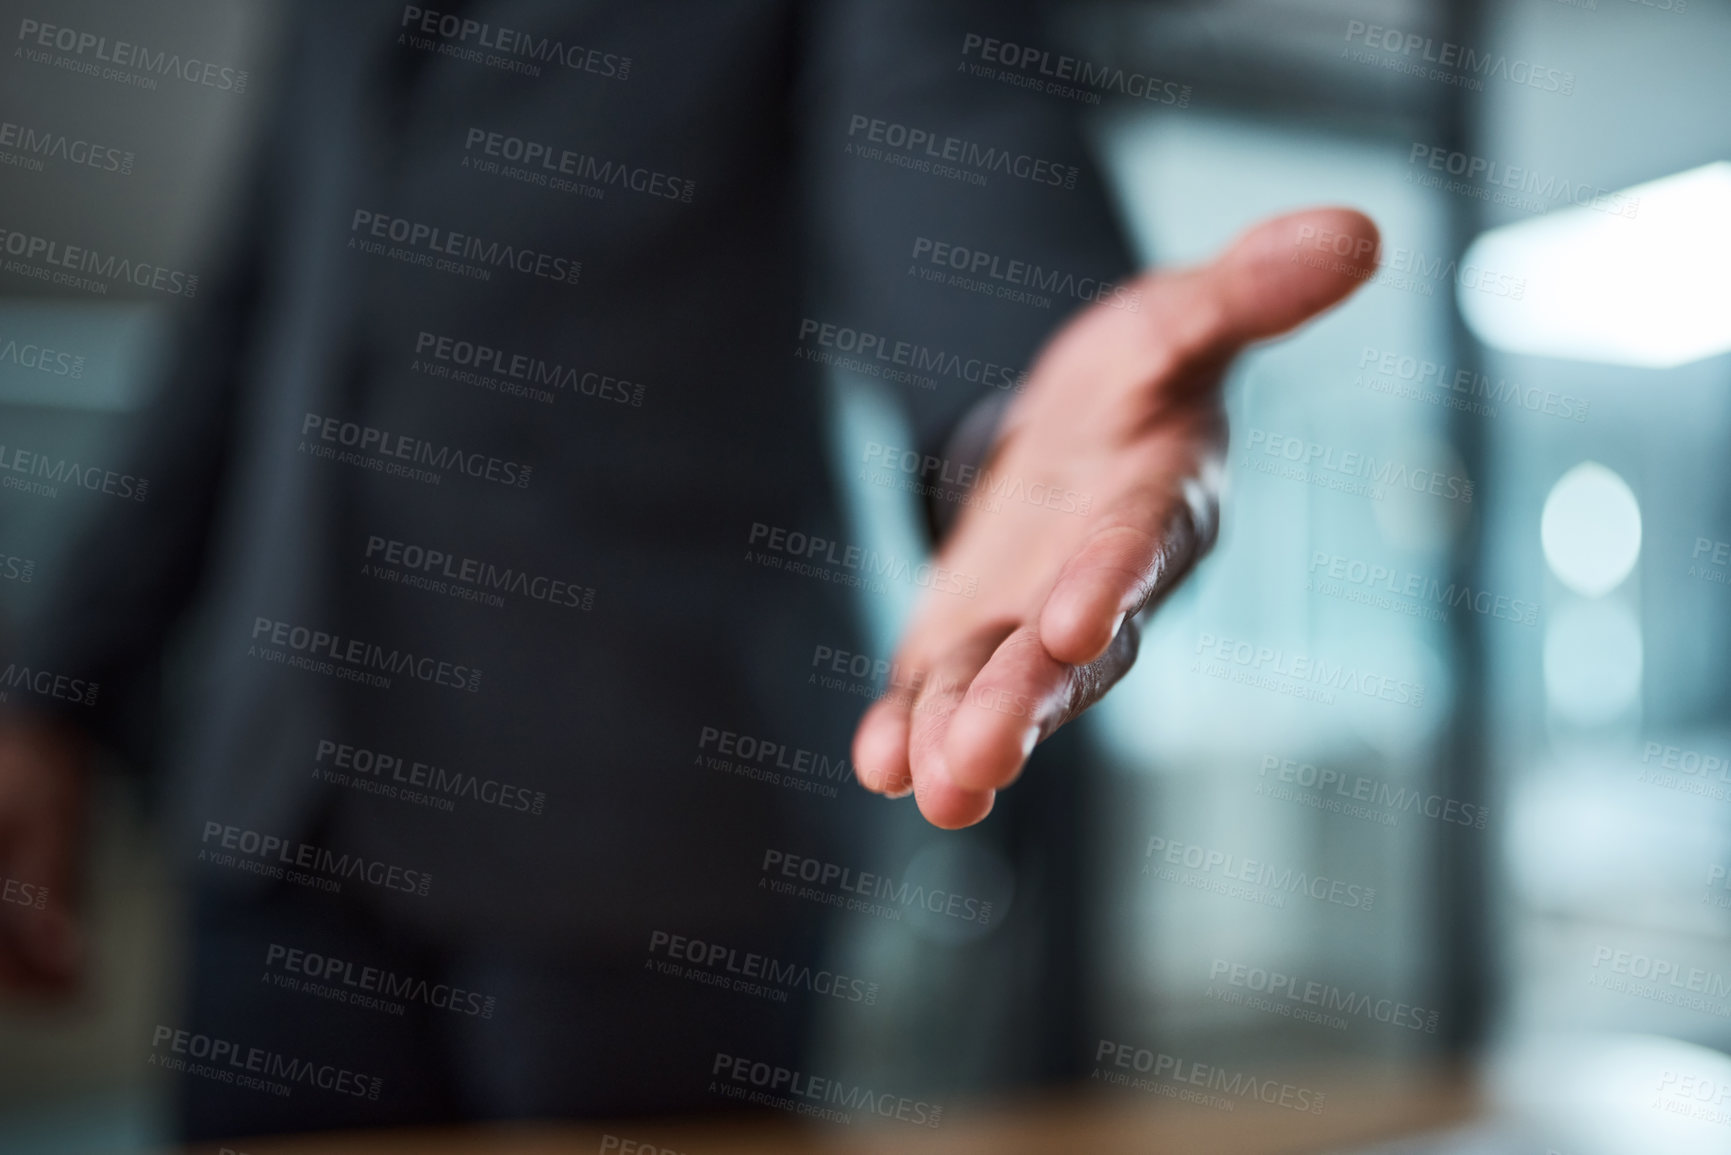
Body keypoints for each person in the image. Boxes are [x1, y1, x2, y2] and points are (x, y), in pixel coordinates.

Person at [0, 0, 1376, 1139]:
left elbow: (954, 155)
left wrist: (1028, 410)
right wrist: (54, 694)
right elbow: (237, 346)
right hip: (276, 821)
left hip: (651, 840)